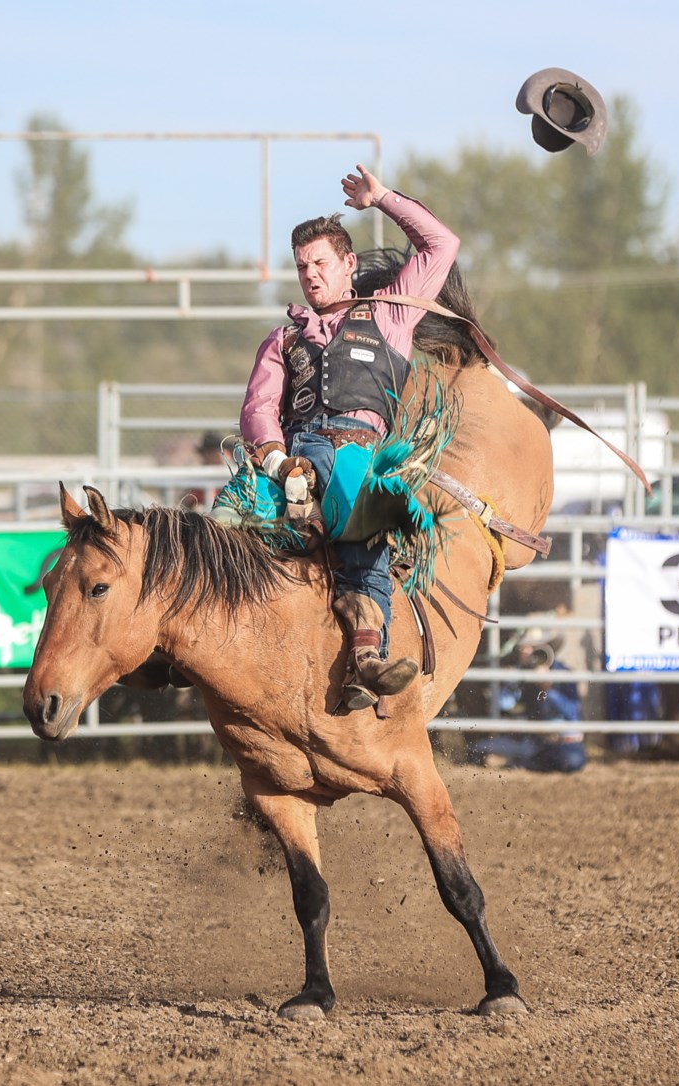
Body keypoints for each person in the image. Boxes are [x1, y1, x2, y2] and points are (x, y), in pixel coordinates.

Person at [239, 163, 460, 710]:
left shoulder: (389, 316)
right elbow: (259, 408)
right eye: (301, 267)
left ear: (348, 265)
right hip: (295, 453)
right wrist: (275, 463)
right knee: (225, 521)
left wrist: (382, 198)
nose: (310, 274)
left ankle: (367, 660)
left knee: (362, 504)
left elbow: (441, 244)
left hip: (361, 450)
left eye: (320, 262)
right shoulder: (284, 338)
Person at [473, 628, 587, 773]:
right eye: (525, 647)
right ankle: (525, 761)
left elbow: (573, 713)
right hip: (533, 740)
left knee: (572, 761)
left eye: (533, 647)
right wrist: (517, 679)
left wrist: (548, 691)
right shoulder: (524, 673)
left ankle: (523, 763)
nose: (526, 651)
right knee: (477, 750)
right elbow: (504, 703)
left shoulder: (564, 673)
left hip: (562, 741)